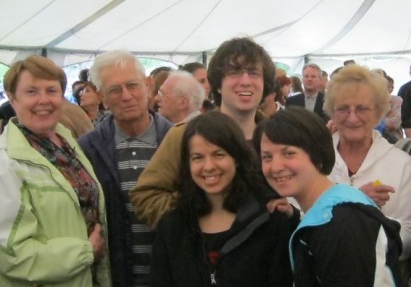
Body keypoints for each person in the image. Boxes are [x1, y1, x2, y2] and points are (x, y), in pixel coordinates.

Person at [131, 37, 276, 228]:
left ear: (265, 82)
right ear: (217, 84)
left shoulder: (278, 137)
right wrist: (200, 213)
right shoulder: (186, 134)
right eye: (234, 72)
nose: (246, 81)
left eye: (254, 73)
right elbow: (146, 196)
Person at [255, 107, 403, 286]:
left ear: (317, 155)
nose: (276, 166)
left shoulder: (344, 223)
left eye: (289, 153)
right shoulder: (324, 214)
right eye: (267, 157)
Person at [0, 55, 110, 287]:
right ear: (12, 98)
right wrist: (85, 251)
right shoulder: (6, 161)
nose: (43, 100)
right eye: (31, 92)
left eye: (51, 90)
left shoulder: (66, 141)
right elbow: (11, 253)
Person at [150, 112, 295, 286]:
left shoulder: (269, 223)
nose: (209, 166)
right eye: (198, 157)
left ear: (237, 158)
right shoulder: (172, 227)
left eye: (219, 154)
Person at [78, 50, 173, 286]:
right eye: (115, 90)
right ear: (102, 96)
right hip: (116, 277)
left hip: (172, 273)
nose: (127, 96)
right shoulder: (88, 149)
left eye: (133, 85)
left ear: (148, 85)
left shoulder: (176, 140)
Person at [324, 65, 411, 262]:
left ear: (378, 113)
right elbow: (300, 219)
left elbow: (409, 234)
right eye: (342, 109)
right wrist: (357, 202)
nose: (352, 117)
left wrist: (365, 243)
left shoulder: (401, 163)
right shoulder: (315, 160)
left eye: (362, 108)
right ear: (332, 112)